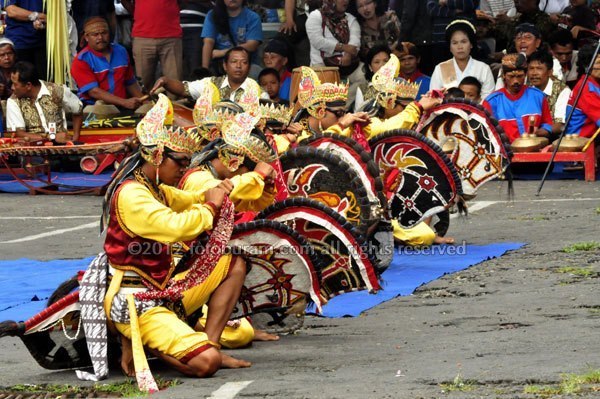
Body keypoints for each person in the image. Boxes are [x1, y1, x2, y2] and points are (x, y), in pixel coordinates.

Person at [97, 94, 250, 390]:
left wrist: (220, 192)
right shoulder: (133, 195)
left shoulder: (155, 188)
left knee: (233, 262)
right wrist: (211, 206)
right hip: (135, 302)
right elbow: (177, 227)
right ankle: (149, 345)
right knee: (207, 364)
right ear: (156, 157)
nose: (184, 168)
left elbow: (193, 198)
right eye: (180, 161)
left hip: (162, 291)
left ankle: (209, 343)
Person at [70, 17, 144, 109]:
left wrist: (145, 102)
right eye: (95, 34)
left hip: (122, 106)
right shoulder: (81, 60)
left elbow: (130, 82)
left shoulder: (121, 51)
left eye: (104, 33)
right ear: (86, 37)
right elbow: (94, 91)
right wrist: (124, 102)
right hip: (93, 109)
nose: (100, 37)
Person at [152, 47, 268, 103]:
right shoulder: (211, 84)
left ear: (249, 67)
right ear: (225, 66)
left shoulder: (259, 92)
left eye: (244, 62)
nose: (238, 66)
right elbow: (184, 89)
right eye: (234, 62)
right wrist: (166, 81)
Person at [6, 61, 83, 143]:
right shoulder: (13, 101)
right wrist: (51, 137)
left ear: (28, 85)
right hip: (33, 150)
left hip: (62, 146)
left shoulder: (57, 90)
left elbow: (78, 109)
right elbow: (18, 133)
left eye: (15, 84)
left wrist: (76, 136)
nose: (12, 88)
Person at [483, 53, 553, 143]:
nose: (516, 81)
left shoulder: (538, 96)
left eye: (520, 76)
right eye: (511, 77)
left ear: (525, 75)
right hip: (505, 152)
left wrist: (537, 132)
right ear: (503, 75)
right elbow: (486, 133)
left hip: (534, 149)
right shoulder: (491, 101)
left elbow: (547, 124)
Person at [305, 0, 365, 104]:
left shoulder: (350, 19)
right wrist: (343, 48)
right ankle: (329, 109)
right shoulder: (315, 16)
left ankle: (343, 106)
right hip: (322, 64)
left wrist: (348, 55)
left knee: (364, 75)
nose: (345, 1)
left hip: (347, 65)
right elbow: (317, 41)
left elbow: (355, 41)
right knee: (322, 81)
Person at [122, 0, 183, 93]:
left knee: (174, 83)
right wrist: (138, 13)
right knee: (143, 84)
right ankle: (146, 107)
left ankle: (175, 106)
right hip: (143, 35)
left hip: (171, 36)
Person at [429, 20, 495, 100]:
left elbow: (488, 100)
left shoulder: (484, 68)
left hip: (476, 111)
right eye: (455, 43)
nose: (459, 46)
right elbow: (434, 98)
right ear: (450, 47)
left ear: (471, 44)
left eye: (463, 42)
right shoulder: (440, 68)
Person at [201, 0, 263, 75]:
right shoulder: (212, 15)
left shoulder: (253, 17)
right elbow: (208, 42)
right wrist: (205, 70)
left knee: (256, 72)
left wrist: (222, 52)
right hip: (220, 64)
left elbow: (252, 45)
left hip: (246, 64)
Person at [527, 49, 571, 136]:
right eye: (531, 68)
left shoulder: (563, 91)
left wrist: (534, 134)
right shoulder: (526, 89)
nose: (534, 73)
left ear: (550, 72)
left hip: (553, 140)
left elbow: (560, 125)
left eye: (539, 69)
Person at [426, 0, 478, 66]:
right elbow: (431, 9)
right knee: (442, 72)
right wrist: (454, 11)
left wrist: (446, 2)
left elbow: (469, 4)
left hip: (465, 38)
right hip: (440, 40)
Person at [3, 0, 46, 80]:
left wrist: (43, 21)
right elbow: (11, 11)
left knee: (43, 82)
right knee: (22, 82)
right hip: (20, 42)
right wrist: (37, 16)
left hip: (43, 43)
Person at [565, 43, 600, 139]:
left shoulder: (593, 84)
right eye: (598, 63)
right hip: (580, 142)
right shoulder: (586, 88)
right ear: (587, 66)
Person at [398, 0, 435, 75]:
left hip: (418, 40)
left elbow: (409, 16)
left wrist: (401, 41)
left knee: (420, 76)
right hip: (433, 38)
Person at [354, 44, 390, 111]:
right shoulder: (363, 89)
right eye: (377, 62)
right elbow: (358, 116)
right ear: (370, 67)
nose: (382, 65)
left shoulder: (400, 85)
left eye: (386, 61)